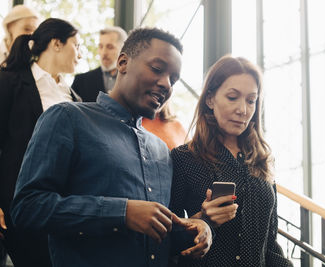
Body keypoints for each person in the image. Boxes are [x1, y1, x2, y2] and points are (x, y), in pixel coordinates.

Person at [10, 27, 212, 267]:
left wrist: (199, 228)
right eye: (157, 69)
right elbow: (27, 207)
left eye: (174, 79)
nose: (166, 84)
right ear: (123, 63)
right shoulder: (67, 118)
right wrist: (122, 213)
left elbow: (155, 239)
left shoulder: (161, 151)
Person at [169, 55, 293, 266]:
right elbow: (167, 239)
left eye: (251, 100)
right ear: (210, 99)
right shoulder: (184, 158)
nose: (243, 110)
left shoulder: (262, 161)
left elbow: (270, 244)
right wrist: (203, 220)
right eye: (233, 97)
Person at [0, 18, 82, 267]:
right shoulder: (8, 82)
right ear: (57, 43)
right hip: (18, 205)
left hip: (64, 210)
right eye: (76, 45)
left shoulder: (75, 97)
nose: (80, 53)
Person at [71, 26, 127, 101]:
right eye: (100, 47)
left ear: (123, 49)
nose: (104, 53)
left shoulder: (134, 81)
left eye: (110, 47)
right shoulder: (81, 82)